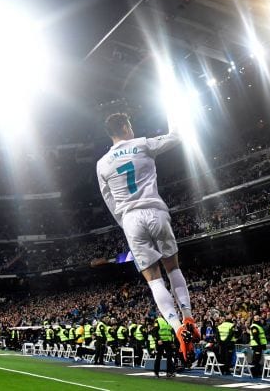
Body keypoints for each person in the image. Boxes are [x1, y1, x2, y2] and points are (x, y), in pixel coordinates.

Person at [96, 113, 198, 362]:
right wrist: (172, 113)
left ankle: (178, 329)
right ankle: (188, 318)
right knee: (173, 268)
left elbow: (109, 200)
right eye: (130, 125)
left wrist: (125, 223)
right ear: (124, 127)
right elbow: (176, 136)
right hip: (155, 211)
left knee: (154, 280)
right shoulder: (142, 144)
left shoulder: (102, 163)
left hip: (131, 219)